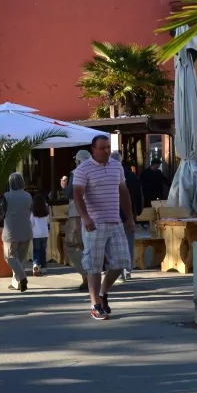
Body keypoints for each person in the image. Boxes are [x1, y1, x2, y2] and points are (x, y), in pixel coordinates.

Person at [73, 136, 133, 320]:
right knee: (94, 265)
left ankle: (103, 293)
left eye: (108, 147)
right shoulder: (83, 169)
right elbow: (77, 195)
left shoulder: (117, 167)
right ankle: (95, 305)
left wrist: (130, 218)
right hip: (95, 224)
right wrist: (85, 218)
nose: (106, 151)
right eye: (102, 148)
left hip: (115, 221)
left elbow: (124, 192)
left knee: (122, 262)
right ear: (93, 149)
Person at [112, 151, 144, 281]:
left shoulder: (111, 175)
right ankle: (128, 269)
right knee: (129, 242)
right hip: (130, 214)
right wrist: (138, 211)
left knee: (116, 245)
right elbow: (139, 194)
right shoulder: (131, 175)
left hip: (114, 214)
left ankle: (119, 272)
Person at [1, 172, 33, 293]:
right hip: (26, 230)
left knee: (9, 256)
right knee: (21, 259)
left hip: (11, 230)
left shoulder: (6, 196)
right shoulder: (28, 196)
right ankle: (17, 283)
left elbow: (2, 212)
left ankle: (22, 277)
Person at [66, 150, 91, 292]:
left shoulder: (76, 172)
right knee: (88, 246)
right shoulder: (97, 170)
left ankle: (86, 275)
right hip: (94, 213)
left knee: (72, 244)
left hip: (77, 213)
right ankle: (92, 275)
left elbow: (70, 193)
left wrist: (63, 186)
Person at [30, 193, 51, 277]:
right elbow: (48, 222)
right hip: (45, 233)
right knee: (43, 251)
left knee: (36, 250)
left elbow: (31, 223)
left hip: (36, 234)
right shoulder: (46, 212)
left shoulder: (33, 212)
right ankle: (44, 267)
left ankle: (35, 264)